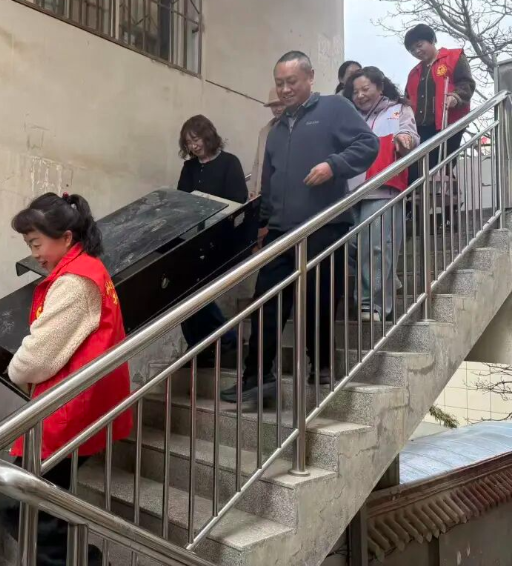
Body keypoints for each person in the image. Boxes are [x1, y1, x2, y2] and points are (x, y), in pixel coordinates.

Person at [221, 51, 379, 405]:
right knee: (266, 303)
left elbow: (368, 144)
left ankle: (321, 366)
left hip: (324, 225)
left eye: (291, 81)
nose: (285, 89)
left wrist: (333, 165)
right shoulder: (276, 131)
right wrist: (261, 225)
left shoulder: (334, 109)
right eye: (279, 83)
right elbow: (269, 182)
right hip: (281, 232)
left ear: (310, 77)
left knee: (318, 301)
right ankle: (256, 378)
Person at [0, 192, 132, 566]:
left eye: (36, 242)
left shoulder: (75, 281)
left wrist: (14, 369)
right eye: (29, 244)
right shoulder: (88, 270)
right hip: (77, 406)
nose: (34, 253)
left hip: (66, 413)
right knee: (45, 506)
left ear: (66, 237)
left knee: (16, 501)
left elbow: (35, 359)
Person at [344, 67, 420, 321]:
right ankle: (387, 278)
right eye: (355, 92)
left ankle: (372, 305)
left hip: (383, 186)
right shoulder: (350, 116)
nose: (360, 95)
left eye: (365, 89)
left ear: (380, 87)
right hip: (350, 190)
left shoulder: (398, 109)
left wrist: (404, 139)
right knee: (351, 245)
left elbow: (410, 134)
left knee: (375, 247)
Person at [177, 115, 248, 367]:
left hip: (220, 239)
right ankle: (202, 344)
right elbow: (181, 201)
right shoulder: (189, 167)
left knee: (196, 293)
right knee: (181, 292)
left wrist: (209, 204)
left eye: (195, 139)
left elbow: (239, 198)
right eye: (188, 143)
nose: (193, 146)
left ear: (208, 136)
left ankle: (221, 339)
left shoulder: (229, 162)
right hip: (194, 239)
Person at [403, 24, 475, 185]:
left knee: (440, 166)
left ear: (432, 40)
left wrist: (456, 97)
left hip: (447, 123)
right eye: (412, 50)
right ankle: (428, 197)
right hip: (421, 127)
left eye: (419, 45)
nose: (417, 51)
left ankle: (446, 194)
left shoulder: (454, 57)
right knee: (416, 169)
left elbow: (466, 83)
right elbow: (406, 98)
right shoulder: (414, 73)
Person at [252, 87, 285, 201]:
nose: (278, 109)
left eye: (282, 104)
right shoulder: (265, 131)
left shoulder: (296, 128)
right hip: (264, 191)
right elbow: (257, 163)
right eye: (274, 105)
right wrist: (253, 189)